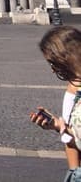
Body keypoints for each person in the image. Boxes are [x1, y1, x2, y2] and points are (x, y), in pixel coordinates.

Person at [29, 26, 81, 181]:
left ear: (64, 57)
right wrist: (58, 126)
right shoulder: (73, 90)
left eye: (52, 63)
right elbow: (73, 140)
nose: (53, 70)